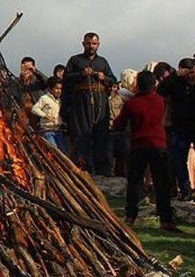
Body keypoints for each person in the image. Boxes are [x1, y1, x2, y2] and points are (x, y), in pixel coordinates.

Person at [112, 71, 181, 233]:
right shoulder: (160, 101)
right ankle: (166, 219)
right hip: (159, 144)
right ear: (154, 85)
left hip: (138, 145)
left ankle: (130, 215)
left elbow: (119, 125)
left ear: (137, 85)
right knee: (161, 183)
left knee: (135, 182)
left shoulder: (132, 103)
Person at [158, 58, 195, 201]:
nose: (191, 75)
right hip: (180, 126)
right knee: (179, 160)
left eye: (193, 72)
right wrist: (174, 76)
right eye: (187, 72)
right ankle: (185, 190)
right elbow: (160, 91)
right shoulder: (176, 83)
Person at [63, 32, 117, 176]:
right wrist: (81, 74)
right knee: (81, 136)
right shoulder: (75, 60)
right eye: (88, 43)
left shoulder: (103, 62)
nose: (91, 46)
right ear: (83, 44)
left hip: (100, 102)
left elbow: (113, 79)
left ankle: (101, 169)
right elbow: (66, 78)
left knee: (101, 136)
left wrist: (103, 77)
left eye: (94, 44)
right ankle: (82, 168)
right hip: (81, 103)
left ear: (98, 45)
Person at [31, 77, 65, 150]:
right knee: (54, 150)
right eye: (57, 88)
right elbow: (34, 109)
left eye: (60, 89)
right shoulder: (44, 98)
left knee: (63, 150)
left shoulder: (60, 100)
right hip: (47, 131)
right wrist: (45, 115)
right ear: (50, 89)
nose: (59, 91)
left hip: (58, 130)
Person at [106, 83, 130, 178]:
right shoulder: (105, 99)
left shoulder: (121, 97)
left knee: (120, 157)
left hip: (118, 129)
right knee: (111, 157)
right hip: (112, 129)